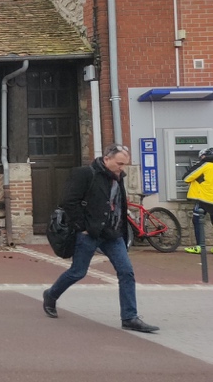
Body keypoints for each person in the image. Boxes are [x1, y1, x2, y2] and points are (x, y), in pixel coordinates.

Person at [42, 143, 159, 333]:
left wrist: (121, 228)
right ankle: (51, 295)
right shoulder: (85, 174)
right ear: (106, 159)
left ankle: (130, 317)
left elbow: (117, 203)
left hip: (113, 234)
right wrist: (82, 227)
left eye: (125, 164)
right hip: (90, 234)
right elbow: (68, 202)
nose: (122, 168)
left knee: (126, 272)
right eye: (119, 164)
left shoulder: (118, 177)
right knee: (78, 272)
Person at [183, 147, 213, 254]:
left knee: (197, 220)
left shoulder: (205, 164)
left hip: (205, 199)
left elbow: (186, 178)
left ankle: (200, 246)